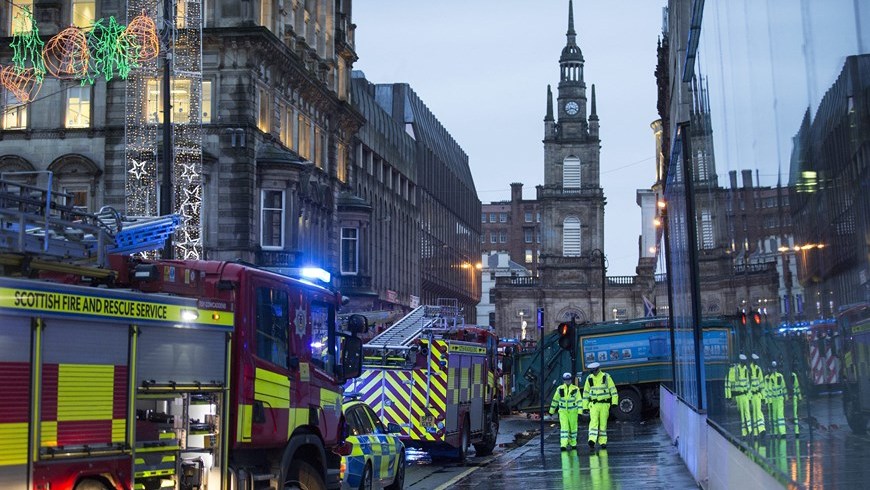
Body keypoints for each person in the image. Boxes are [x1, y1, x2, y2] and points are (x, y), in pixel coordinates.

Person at [582, 362, 617, 450]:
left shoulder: (606, 377)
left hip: (605, 404)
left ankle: (603, 442)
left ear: (597, 369)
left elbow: (613, 390)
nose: (593, 372)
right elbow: (585, 393)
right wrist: (585, 407)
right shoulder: (589, 378)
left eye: (593, 371)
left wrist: (614, 402)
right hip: (594, 404)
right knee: (593, 422)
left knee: (603, 424)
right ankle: (592, 440)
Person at [549, 372, 582, 450]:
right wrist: (551, 411)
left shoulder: (575, 389)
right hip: (563, 411)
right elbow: (555, 400)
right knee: (564, 428)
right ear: (564, 380)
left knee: (573, 428)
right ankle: (563, 445)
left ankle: (573, 443)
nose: (568, 381)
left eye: (569, 380)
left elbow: (579, 401)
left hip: (573, 412)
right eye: (566, 380)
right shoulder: (560, 389)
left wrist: (580, 412)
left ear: (571, 380)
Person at [725, 353, 751, 436]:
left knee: (747, 413)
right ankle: (744, 433)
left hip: (745, 395)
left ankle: (750, 431)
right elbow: (728, 383)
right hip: (739, 396)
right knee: (742, 414)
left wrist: (749, 396)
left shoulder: (746, 369)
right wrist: (729, 396)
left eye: (745, 362)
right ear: (740, 361)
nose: (744, 363)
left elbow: (748, 383)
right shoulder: (735, 370)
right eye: (743, 362)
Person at [765, 361, 787, 436]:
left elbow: (783, 387)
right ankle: (775, 432)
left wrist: (786, 397)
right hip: (773, 399)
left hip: (780, 398)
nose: (774, 370)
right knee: (774, 416)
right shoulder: (769, 378)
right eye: (772, 368)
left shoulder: (780, 376)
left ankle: (782, 432)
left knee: (780, 416)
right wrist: (769, 401)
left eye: (774, 368)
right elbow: (769, 390)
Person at [749, 353, 767, 437]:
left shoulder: (758, 369)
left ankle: (762, 429)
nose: (756, 362)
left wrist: (763, 397)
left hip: (758, 394)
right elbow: (747, 384)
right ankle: (756, 433)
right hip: (752, 395)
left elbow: (762, 383)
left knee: (758, 411)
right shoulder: (749, 369)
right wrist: (749, 397)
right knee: (755, 413)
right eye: (755, 361)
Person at [790, 368, 803, 436]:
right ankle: (796, 431)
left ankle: (796, 431)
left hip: (791, 398)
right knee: (795, 415)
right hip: (793, 398)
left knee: (795, 415)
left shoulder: (792, 375)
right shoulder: (793, 375)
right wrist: (800, 397)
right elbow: (797, 386)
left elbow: (797, 386)